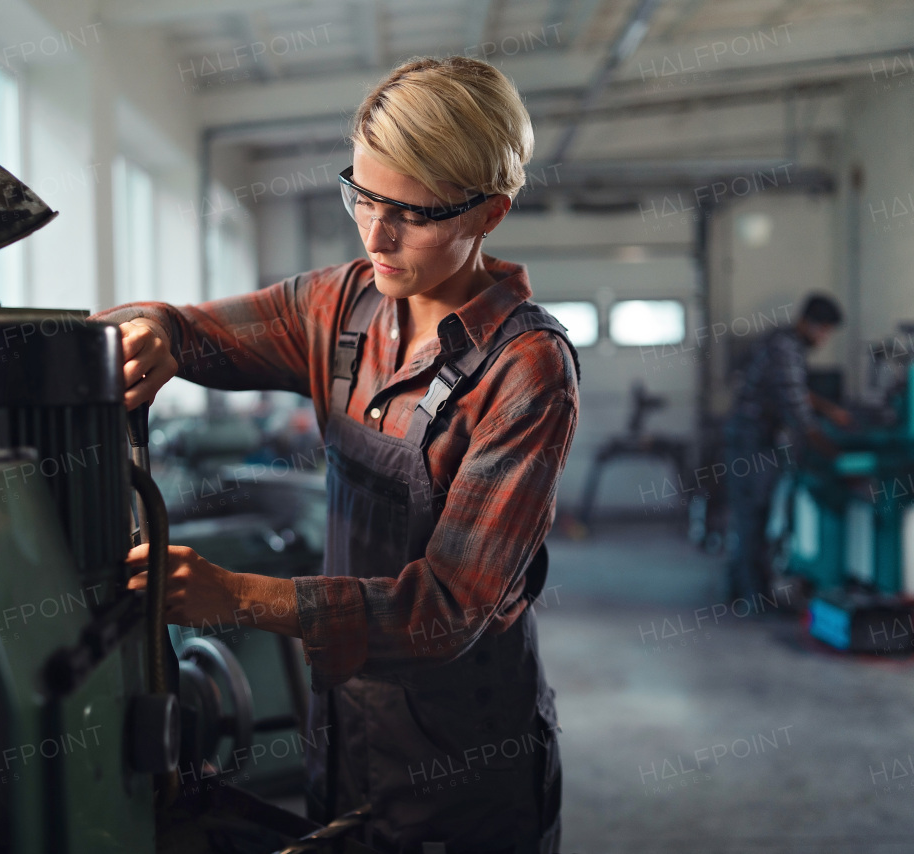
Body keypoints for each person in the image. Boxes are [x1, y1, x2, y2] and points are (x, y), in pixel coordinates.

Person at [94, 56, 578, 854]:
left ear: (490, 213)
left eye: (410, 216)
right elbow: (189, 327)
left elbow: (447, 609)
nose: (376, 236)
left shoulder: (527, 370)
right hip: (345, 724)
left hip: (462, 757)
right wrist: (155, 334)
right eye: (362, 196)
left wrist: (241, 597)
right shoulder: (340, 306)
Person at [723, 293, 848, 602]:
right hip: (751, 441)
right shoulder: (785, 348)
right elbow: (796, 408)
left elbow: (795, 391)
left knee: (754, 518)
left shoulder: (782, 342)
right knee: (753, 517)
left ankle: (746, 591)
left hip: (755, 438)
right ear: (808, 323)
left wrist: (830, 411)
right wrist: (833, 451)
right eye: (824, 331)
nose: (824, 339)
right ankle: (751, 598)